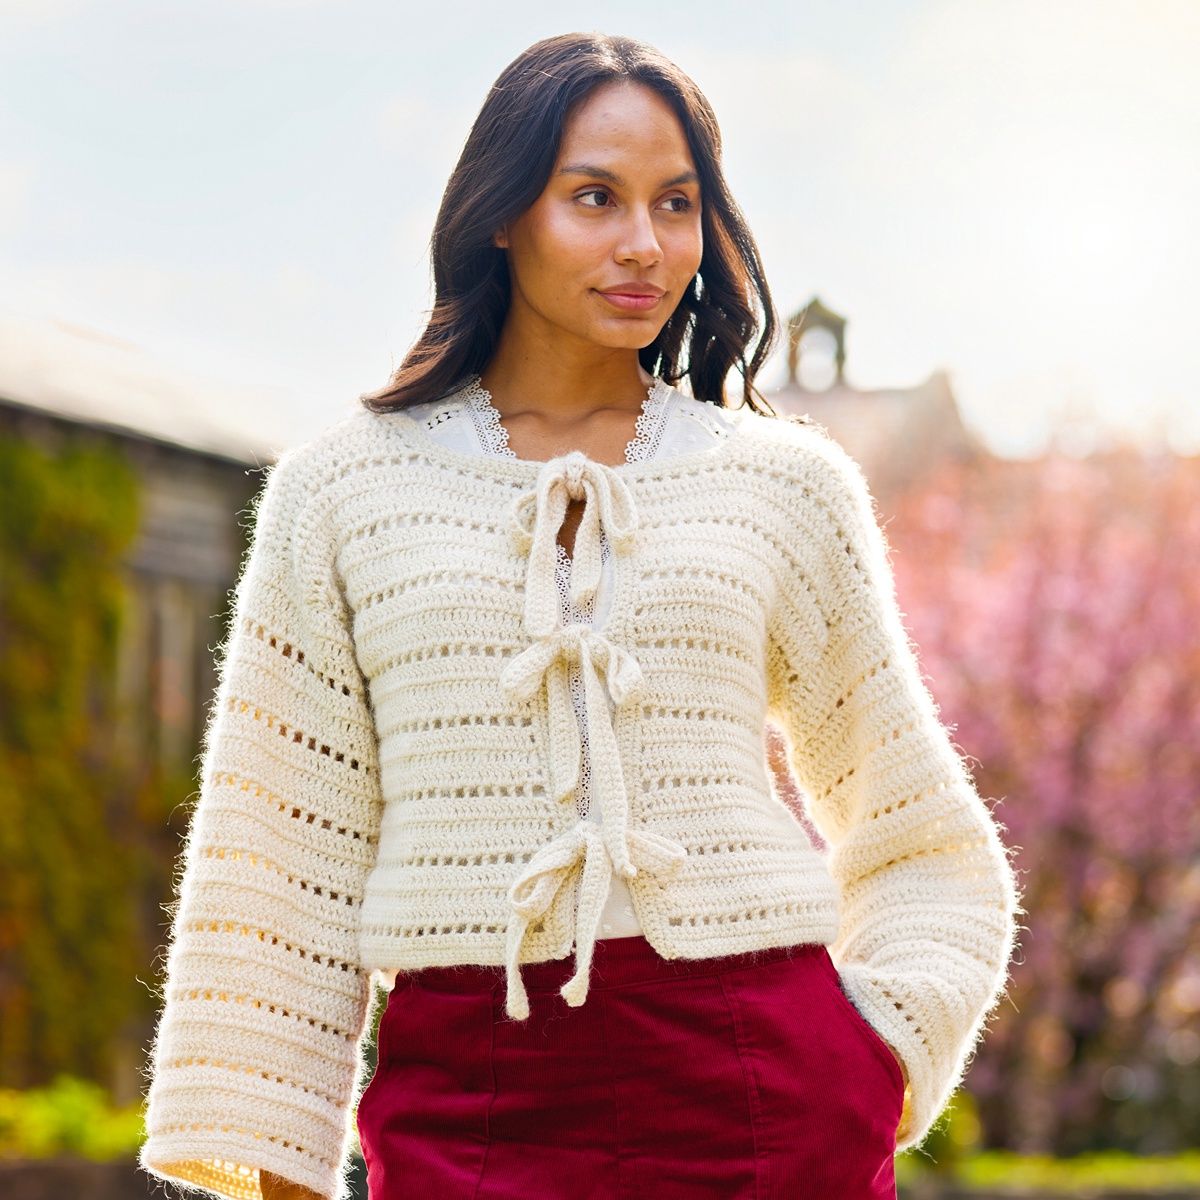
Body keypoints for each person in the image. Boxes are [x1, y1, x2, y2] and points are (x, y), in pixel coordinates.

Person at [138, 30, 1024, 1200]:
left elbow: (922, 838)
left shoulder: (786, 484)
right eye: (594, 198)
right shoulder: (341, 492)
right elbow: (280, 864)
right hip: (470, 1104)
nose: (644, 246)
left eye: (676, 204)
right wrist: (281, 1168)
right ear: (504, 213)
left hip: (767, 1094)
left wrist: (874, 1058)